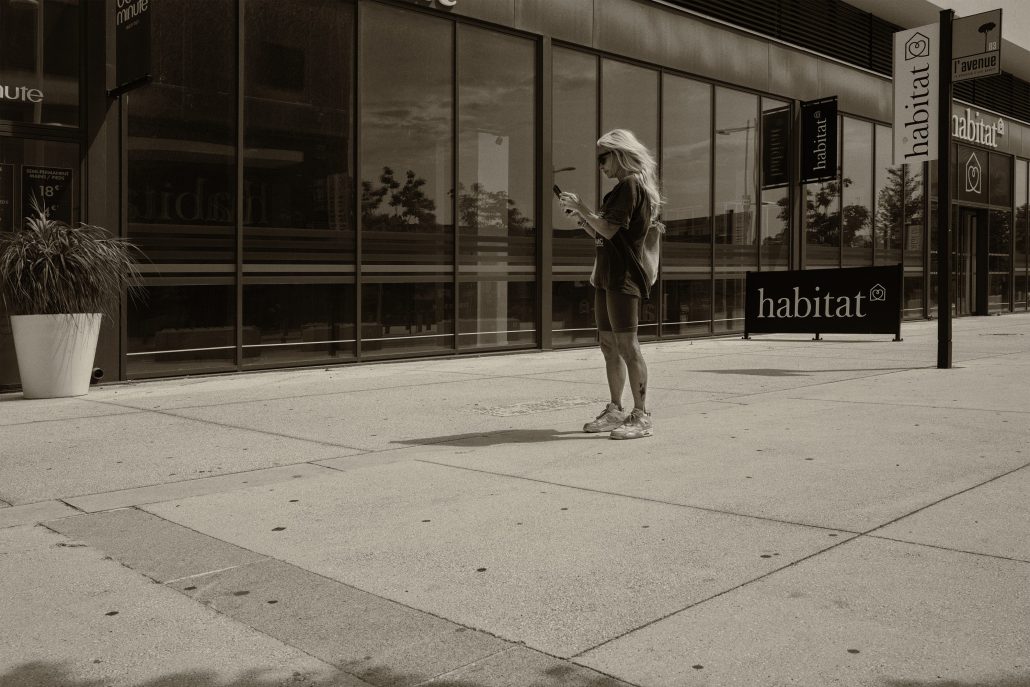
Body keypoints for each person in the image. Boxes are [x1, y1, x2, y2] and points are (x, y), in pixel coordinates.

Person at [558, 128, 661, 440]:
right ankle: (616, 409)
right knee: (607, 344)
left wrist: (582, 207)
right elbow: (603, 232)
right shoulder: (618, 191)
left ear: (618, 155)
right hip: (606, 275)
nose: (600, 165)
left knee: (628, 345)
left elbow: (609, 230)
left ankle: (641, 415)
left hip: (623, 277)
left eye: (602, 158)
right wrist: (583, 220)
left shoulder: (631, 185)